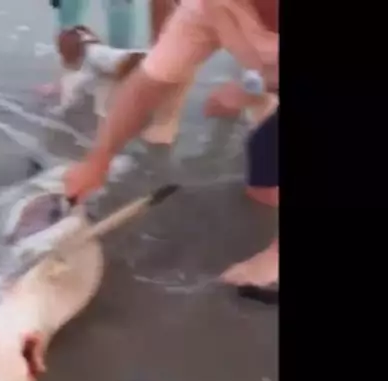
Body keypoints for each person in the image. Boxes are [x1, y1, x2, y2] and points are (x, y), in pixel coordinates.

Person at [62, 0, 280, 297]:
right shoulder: (205, 8)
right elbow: (146, 85)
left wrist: (250, 90)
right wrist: (98, 160)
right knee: (264, 178)